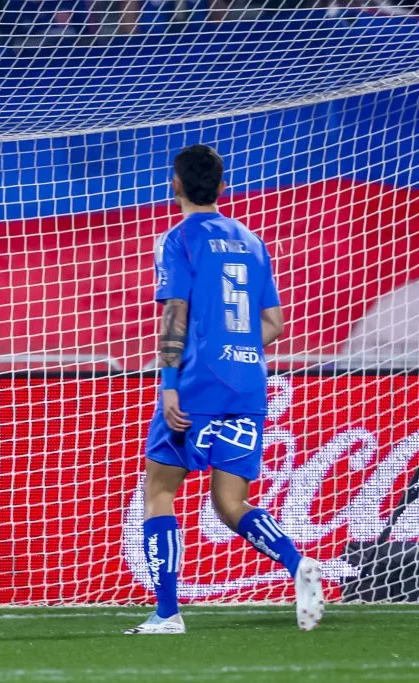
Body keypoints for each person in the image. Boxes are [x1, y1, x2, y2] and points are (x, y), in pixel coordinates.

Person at [126, 144, 324, 635]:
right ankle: (297, 563)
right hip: (247, 386)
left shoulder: (178, 239)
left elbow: (175, 315)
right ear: (221, 187)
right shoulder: (252, 241)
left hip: (195, 384)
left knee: (160, 492)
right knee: (230, 503)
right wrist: (235, 347)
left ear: (175, 185)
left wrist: (170, 383)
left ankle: (167, 614)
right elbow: (274, 322)